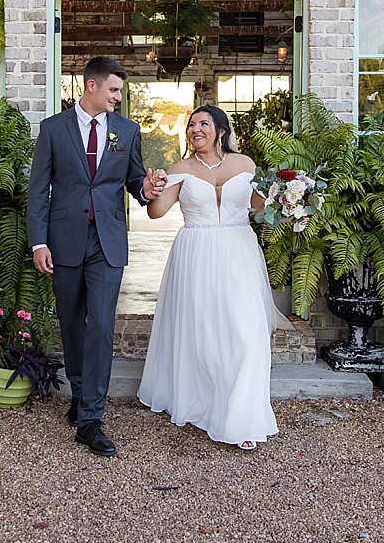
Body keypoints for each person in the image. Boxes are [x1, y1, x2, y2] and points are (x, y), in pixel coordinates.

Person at [136, 102, 281, 448]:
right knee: (202, 333)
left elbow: (261, 206)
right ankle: (208, 401)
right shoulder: (180, 167)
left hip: (238, 250)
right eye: (190, 125)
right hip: (195, 253)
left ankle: (242, 418)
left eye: (203, 123)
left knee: (247, 332)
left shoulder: (244, 164)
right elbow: (156, 213)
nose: (195, 130)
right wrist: (151, 190)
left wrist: (289, 197)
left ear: (221, 130)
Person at [28, 54, 148, 459]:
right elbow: (38, 190)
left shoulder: (128, 131)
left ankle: (92, 418)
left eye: (120, 91)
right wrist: (38, 243)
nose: (118, 97)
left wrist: (147, 188)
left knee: (100, 323)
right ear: (91, 86)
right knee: (71, 324)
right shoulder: (53, 130)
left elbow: (135, 181)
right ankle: (80, 395)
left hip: (107, 241)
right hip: (63, 241)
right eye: (114, 89)